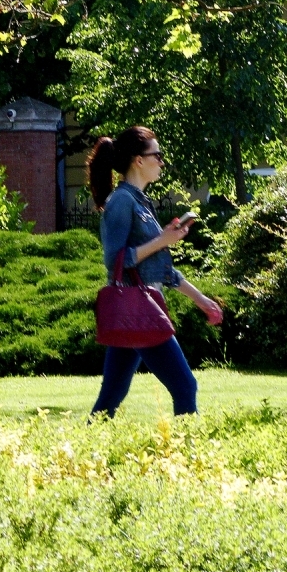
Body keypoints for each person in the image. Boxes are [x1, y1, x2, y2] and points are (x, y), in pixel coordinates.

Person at [87, 125, 222, 418]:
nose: (161, 162)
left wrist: (201, 299)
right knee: (185, 386)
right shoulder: (122, 201)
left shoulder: (141, 203)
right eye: (157, 155)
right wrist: (162, 239)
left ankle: (82, 454)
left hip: (135, 311)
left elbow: (160, 269)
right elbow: (115, 261)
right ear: (138, 160)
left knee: (112, 394)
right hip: (139, 311)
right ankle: (188, 456)